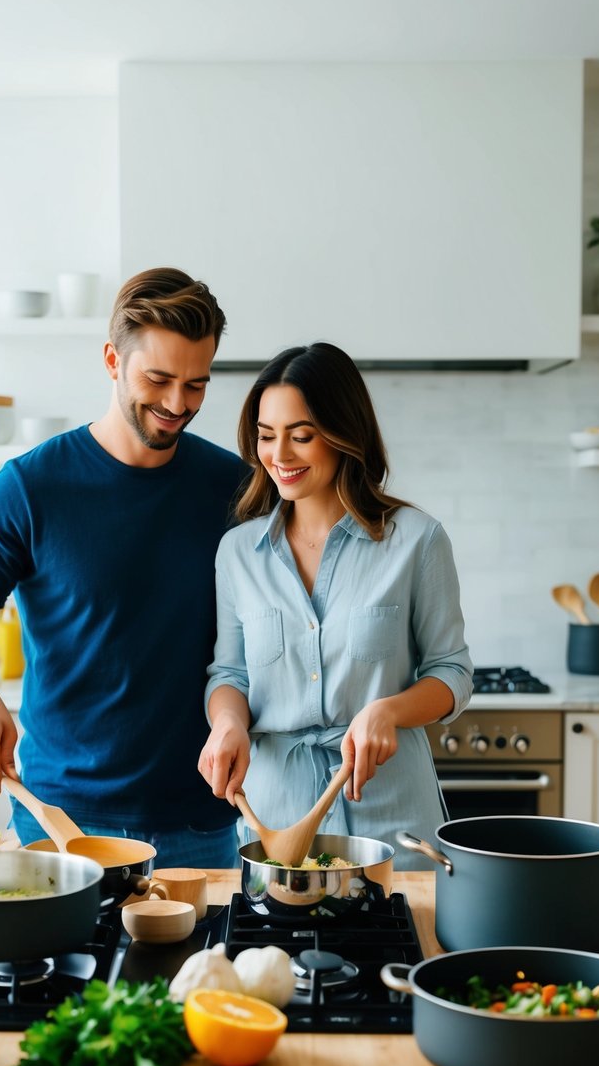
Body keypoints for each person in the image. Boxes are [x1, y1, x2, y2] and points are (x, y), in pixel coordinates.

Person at [0, 267, 248, 868]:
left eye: (197, 385)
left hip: (198, 820)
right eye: (159, 379)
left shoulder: (233, 488)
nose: (178, 405)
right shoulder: (32, 486)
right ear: (111, 360)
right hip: (61, 823)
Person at [197, 342, 473, 870]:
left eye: (301, 436)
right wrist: (228, 725)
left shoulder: (417, 540)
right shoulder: (239, 552)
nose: (280, 455)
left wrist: (387, 710)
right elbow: (229, 672)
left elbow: (452, 673)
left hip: (396, 825)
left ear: (346, 434)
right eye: (266, 435)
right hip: (275, 819)